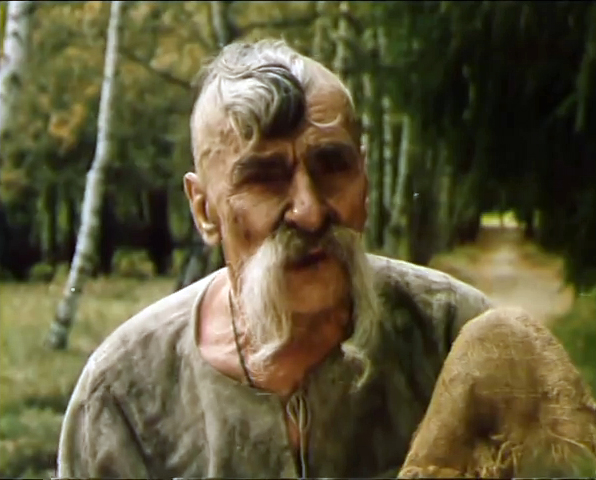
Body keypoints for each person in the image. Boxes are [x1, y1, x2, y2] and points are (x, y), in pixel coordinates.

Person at [56, 39, 596, 478]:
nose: (311, 212)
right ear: (204, 209)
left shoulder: (455, 336)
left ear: (363, 176)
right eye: (264, 178)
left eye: (332, 166)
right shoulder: (124, 396)